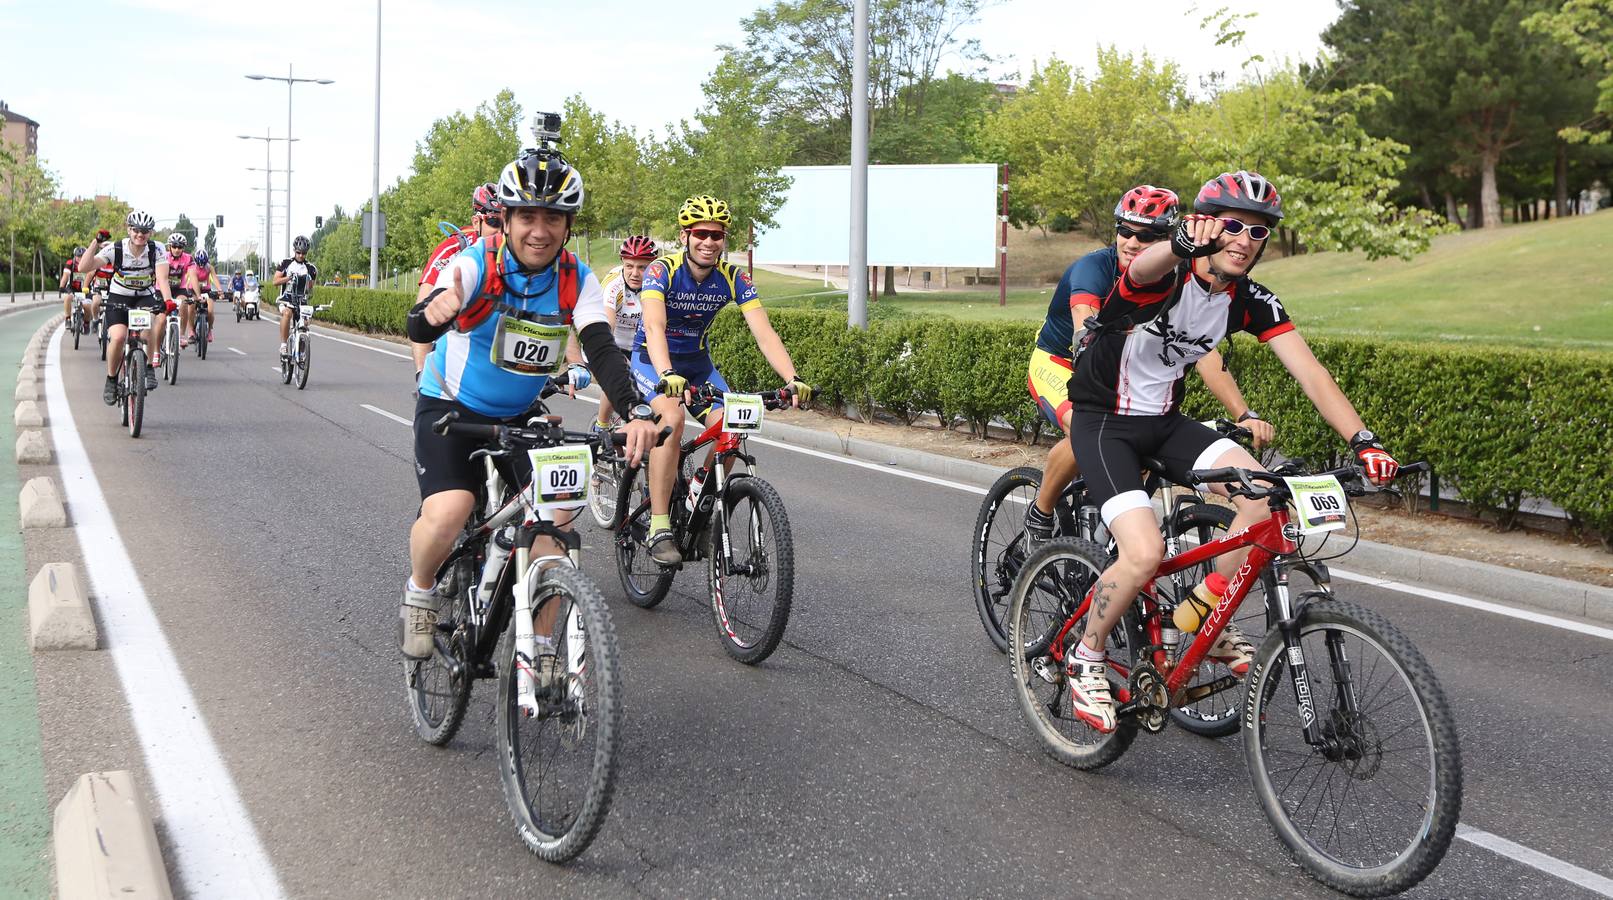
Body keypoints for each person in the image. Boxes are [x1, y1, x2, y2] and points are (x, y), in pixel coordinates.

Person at [1061, 170, 1400, 734]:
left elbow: (1309, 371)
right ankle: (1086, 656)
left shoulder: (1248, 299)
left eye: (1259, 231)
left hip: (1165, 423)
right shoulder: (1161, 273)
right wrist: (1178, 244)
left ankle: (1197, 616)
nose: (1245, 238)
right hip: (1104, 425)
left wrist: (1364, 441)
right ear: (1206, 223)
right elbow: (1141, 268)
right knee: (1142, 554)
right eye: (1234, 225)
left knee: (1266, 500)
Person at [401, 147, 659, 659]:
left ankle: (539, 655)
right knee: (453, 509)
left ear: (567, 225)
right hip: (453, 407)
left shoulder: (576, 278)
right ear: (508, 218)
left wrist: (636, 410)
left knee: (554, 527)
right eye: (527, 216)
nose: (539, 230)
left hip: (521, 415)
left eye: (553, 217)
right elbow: (416, 323)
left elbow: (601, 347)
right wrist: (437, 312)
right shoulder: (476, 264)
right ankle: (422, 590)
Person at [1024, 186, 1273, 544]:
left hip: (1121, 379)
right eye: (1125, 230)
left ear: (1171, 239)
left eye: (1148, 235)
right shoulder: (1094, 267)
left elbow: (1203, 352)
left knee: (1138, 441)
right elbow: (1084, 316)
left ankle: (1109, 529)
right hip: (1061, 361)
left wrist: (1243, 413)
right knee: (1080, 424)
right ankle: (1042, 511)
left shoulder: (1175, 278)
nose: (1132, 242)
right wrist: (1087, 347)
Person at [636, 195, 813, 565]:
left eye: (717, 235)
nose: (709, 242)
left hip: (698, 366)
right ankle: (659, 524)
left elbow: (764, 333)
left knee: (732, 427)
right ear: (685, 235)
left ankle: (699, 502)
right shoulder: (661, 271)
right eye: (701, 233)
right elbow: (654, 325)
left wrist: (792, 378)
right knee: (672, 421)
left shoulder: (733, 277)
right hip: (653, 362)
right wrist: (667, 374)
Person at [411, 183, 504, 380]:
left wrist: (575, 363)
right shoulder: (453, 249)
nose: (500, 231)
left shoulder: (518, 252)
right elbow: (423, 307)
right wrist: (422, 372)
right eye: (494, 222)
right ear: (476, 222)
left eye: (506, 222)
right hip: (453, 353)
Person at [78, 211, 175, 400]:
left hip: (143, 296)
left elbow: (162, 279)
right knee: (119, 337)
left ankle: (148, 368)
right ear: (129, 230)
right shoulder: (116, 249)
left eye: (145, 231)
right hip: (119, 295)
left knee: (149, 330)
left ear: (151, 232)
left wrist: (168, 301)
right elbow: (83, 267)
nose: (140, 234)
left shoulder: (157, 249)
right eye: (136, 230)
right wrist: (95, 242)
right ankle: (111, 379)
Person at [593, 234, 657, 432]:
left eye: (642, 267)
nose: (635, 273)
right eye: (629, 266)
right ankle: (601, 425)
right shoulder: (614, 286)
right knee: (618, 375)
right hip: (614, 344)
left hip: (640, 345)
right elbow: (607, 327)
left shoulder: (657, 284)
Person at [273, 237, 318, 358]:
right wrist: (288, 278)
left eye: (304, 253)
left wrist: (307, 283)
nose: (301, 255)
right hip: (286, 298)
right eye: (298, 252)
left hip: (301, 301)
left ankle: (302, 351)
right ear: (294, 251)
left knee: (305, 323)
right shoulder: (286, 263)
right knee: (287, 313)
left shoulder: (311, 269)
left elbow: (310, 289)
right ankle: (283, 345)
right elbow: (275, 281)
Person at [182, 251, 220, 343]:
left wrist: (220, 290)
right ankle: (191, 331)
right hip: (193, 290)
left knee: (210, 310)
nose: (201, 266)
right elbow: (193, 281)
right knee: (191, 308)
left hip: (206, 290)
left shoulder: (209, 267)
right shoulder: (192, 268)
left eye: (203, 264)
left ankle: (209, 330)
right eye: (199, 264)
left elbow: (214, 278)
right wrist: (198, 296)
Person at [164, 234, 193, 349]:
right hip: (163, 287)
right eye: (174, 247)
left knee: (184, 303)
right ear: (169, 247)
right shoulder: (163, 257)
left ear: (183, 248)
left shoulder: (188, 258)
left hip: (179, 288)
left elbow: (193, 276)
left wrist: (198, 294)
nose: (177, 250)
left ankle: (181, 335)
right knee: (161, 315)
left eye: (179, 247)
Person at [58, 247, 86, 321]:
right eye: (78, 256)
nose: (80, 258)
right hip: (72, 288)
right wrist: (61, 286)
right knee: (67, 298)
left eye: (82, 256)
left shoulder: (88, 264)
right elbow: (65, 275)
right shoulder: (70, 263)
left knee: (88, 305)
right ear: (75, 256)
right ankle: (68, 319)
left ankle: (86, 323)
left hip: (84, 288)